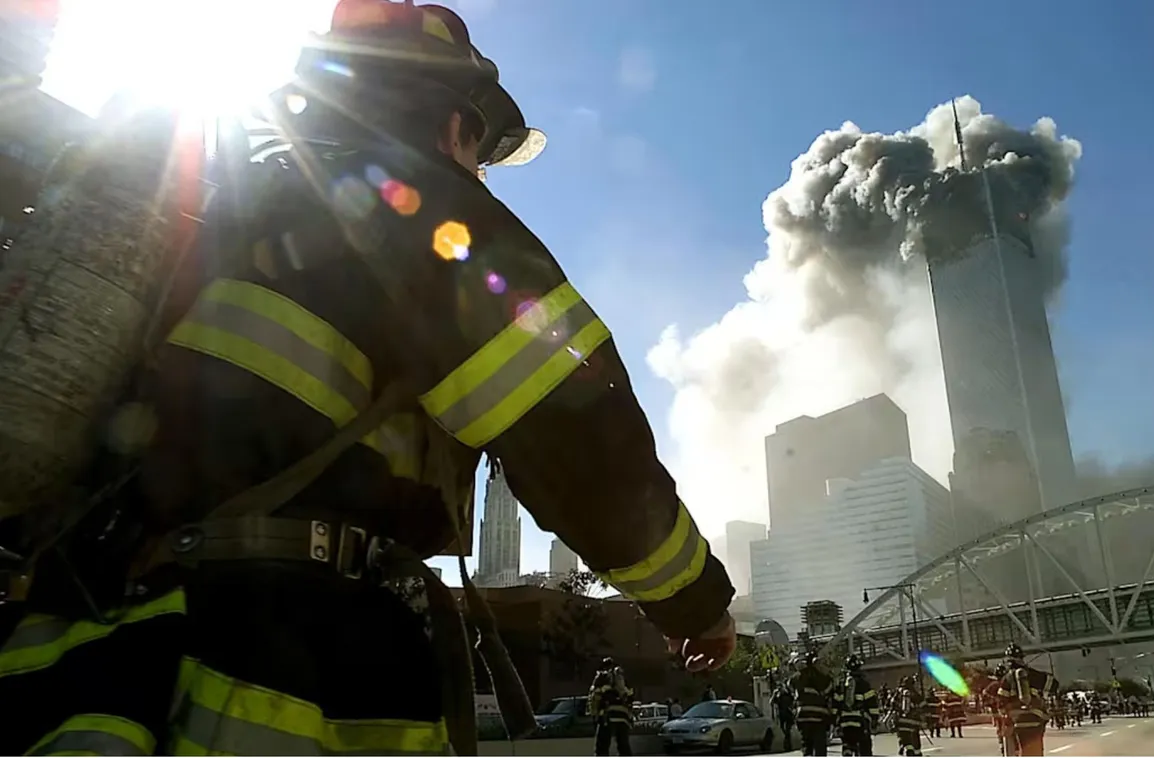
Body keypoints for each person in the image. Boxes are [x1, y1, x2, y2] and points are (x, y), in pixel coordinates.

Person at [0, 1, 738, 754]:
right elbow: (577, 436)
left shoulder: (227, 211)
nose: (480, 174)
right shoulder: (424, 213)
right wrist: (695, 602)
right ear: (455, 122)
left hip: (78, 660)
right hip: (272, 664)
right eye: (479, 152)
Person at [997, 644, 1056, 757]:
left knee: (1023, 749)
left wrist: (1007, 720)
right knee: (1037, 750)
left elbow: (1001, 703)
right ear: (1021, 658)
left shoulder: (1007, 679)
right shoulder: (1034, 674)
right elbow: (1054, 685)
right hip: (1036, 719)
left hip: (1019, 722)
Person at [832, 654, 878, 757]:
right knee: (865, 750)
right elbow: (872, 704)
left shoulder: (841, 685)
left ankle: (847, 750)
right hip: (860, 722)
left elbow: (835, 705)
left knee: (847, 745)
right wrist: (874, 720)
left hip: (844, 723)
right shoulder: (864, 684)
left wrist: (834, 721)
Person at [791, 650, 833, 756]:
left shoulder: (798, 676)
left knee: (806, 743)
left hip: (803, 716)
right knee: (820, 747)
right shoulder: (823, 677)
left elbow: (789, 687)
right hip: (819, 717)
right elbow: (829, 690)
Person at [590, 658, 633, 756]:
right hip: (623, 717)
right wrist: (629, 715)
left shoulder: (601, 677)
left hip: (607, 715)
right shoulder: (623, 679)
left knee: (602, 746)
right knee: (623, 746)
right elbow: (630, 697)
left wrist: (595, 714)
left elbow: (594, 697)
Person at [893, 675, 925, 757]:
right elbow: (924, 706)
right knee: (915, 739)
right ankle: (917, 753)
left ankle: (906, 749)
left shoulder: (898, 693)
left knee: (906, 739)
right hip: (914, 723)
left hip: (902, 722)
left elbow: (892, 705)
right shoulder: (916, 694)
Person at [772, 679, 797, 751]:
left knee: (787, 729)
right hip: (781, 714)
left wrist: (793, 710)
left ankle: (787, 744)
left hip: (788, 713)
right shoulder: (777, 694)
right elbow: (772, 702)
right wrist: (775, 695)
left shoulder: (788, 693)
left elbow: (793, 701)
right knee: (783, 729)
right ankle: (787, 743)